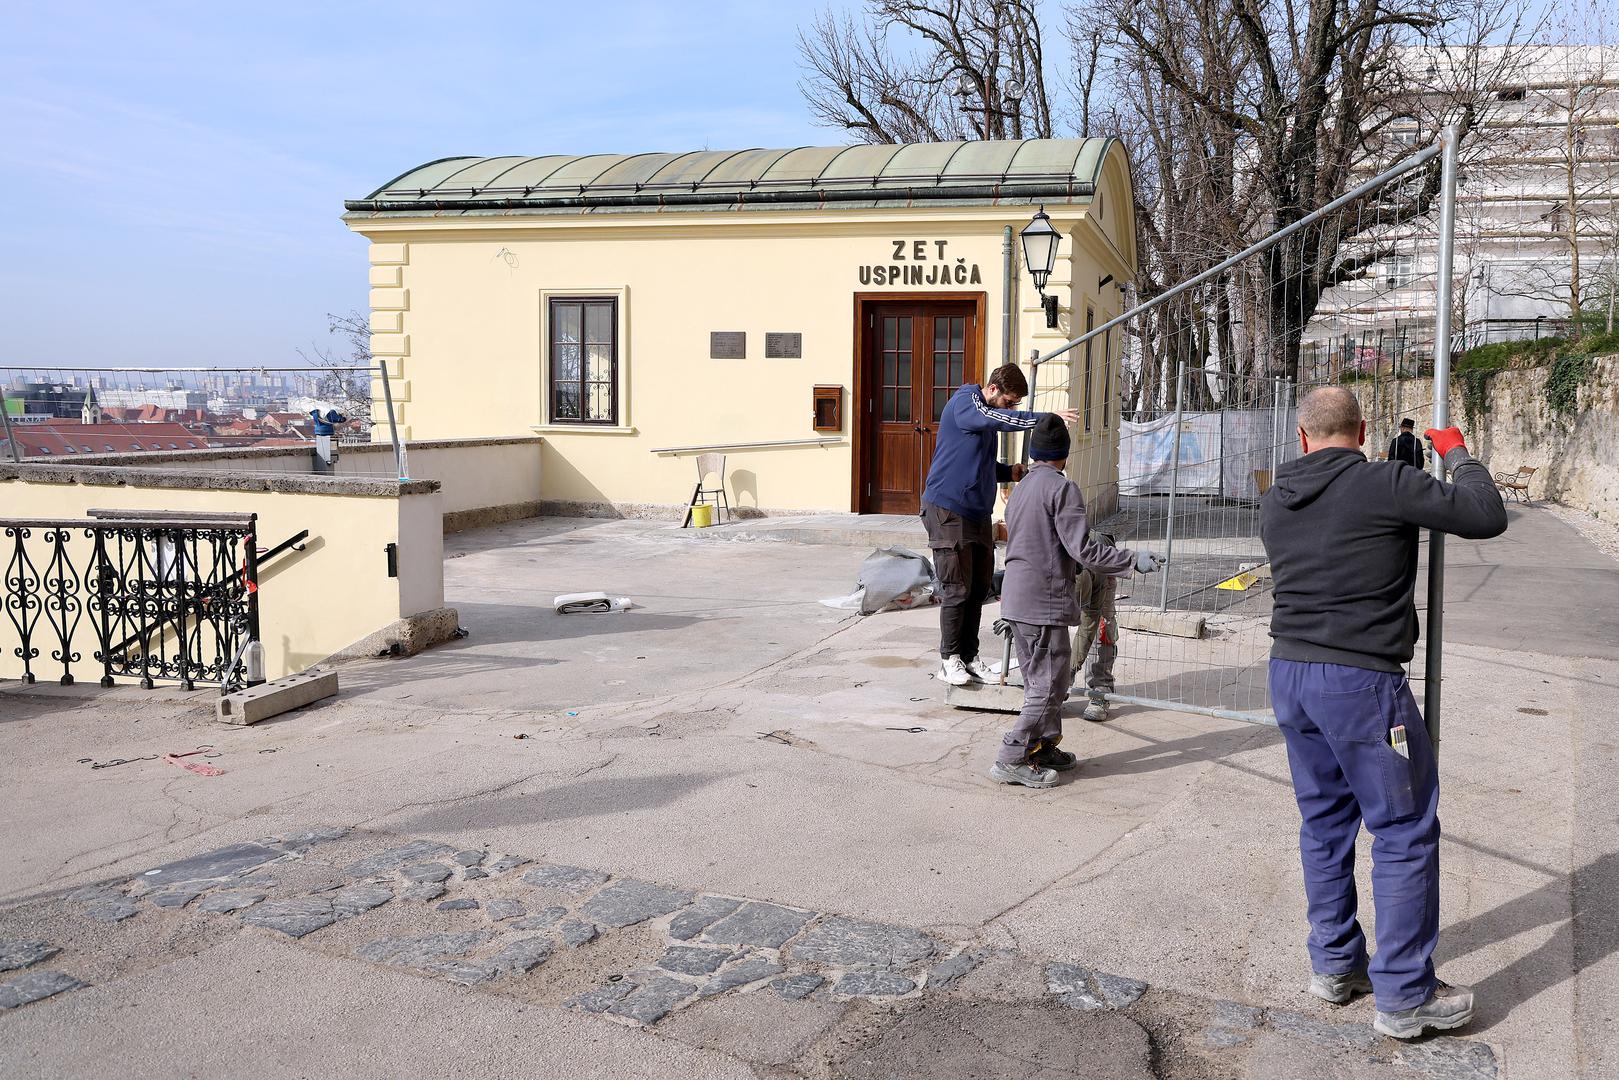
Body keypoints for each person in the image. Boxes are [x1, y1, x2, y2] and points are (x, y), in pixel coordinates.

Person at [1260, 387, 1507, 1040]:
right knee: (1401, 830)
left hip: (1289, 674)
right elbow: (1483, 514)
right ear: (1363, 430)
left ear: (1300, 436)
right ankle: (1404, 995)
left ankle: (1335, 965)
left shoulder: (1276, 496)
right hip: (1359, 682)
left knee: (1322, 822)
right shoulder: (1382, 482)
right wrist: (1457, 456)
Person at [991, 415, 1163, 788]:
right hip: (1042, 601)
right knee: (1047, 685)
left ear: (1033, 452)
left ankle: (1042, 746)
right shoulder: (1062, 489)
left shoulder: (1020, 488)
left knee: (1048, 682)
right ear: (1064, 454)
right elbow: (1083, 549)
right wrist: (1133, 559)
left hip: (1020, 600)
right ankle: (1011, 755)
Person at [921, 364, 1080, 687]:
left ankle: (969, 657)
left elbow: (979, 465)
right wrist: (1045, 417)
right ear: (992, 389)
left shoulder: (984, 419)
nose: (1010, 409)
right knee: (957, 589)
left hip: (976, 513)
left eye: (1013, 405)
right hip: (947, 509)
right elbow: (999, 419)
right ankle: (948, 659)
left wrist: (1010, 473)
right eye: (1009, 402)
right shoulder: (967, 402)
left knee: (979, 588)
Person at [1071, 532, 1121, 723]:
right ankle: (1057, 685)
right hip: (1072, 564)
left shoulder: (1099, 571)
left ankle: (1101, 689)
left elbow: (1089, 624)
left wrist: (1071, 667)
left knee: (1102, 628)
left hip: (1101, 565)